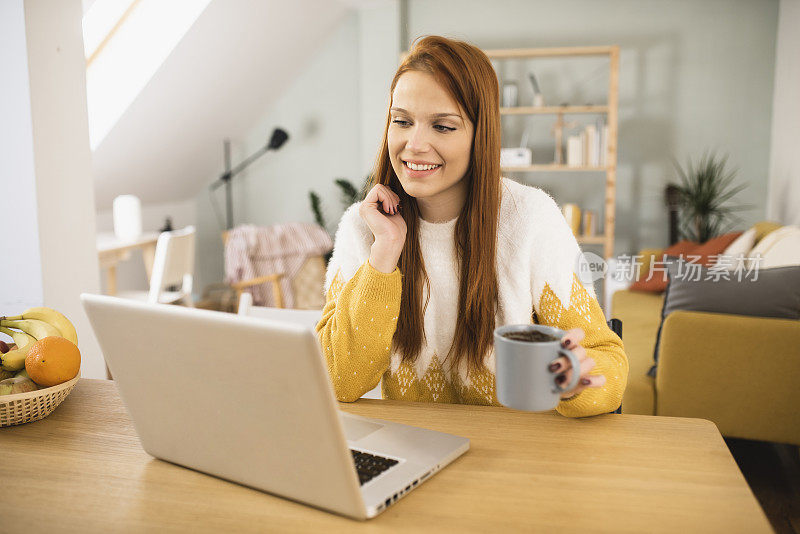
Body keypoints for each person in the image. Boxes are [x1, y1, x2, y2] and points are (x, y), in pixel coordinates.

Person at [316, 36, 627, 417]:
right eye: (402, 121)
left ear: (481, 134)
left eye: (443, 127)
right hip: (412, 450)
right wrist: (385, 252)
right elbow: (338, 380)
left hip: (515, 453)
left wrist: (576, 379)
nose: (414, 144)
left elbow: (606, 361)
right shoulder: (364, 228)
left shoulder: (530, 218)